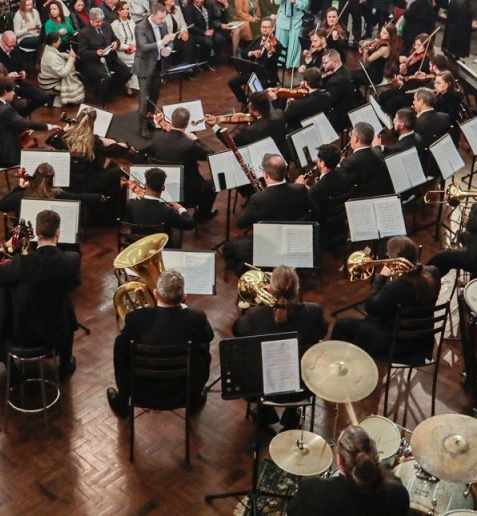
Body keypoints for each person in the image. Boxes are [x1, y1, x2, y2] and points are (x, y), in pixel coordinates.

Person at [0, 209, 82, 378]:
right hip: (57, 329)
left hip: (22, 333)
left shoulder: (20, 264)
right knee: (65, 302)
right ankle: (64, 366)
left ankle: (12, 371)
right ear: (58, 233)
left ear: (36, 233)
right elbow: (74, 283)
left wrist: (6, 245)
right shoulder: (72, 260)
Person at [107, 269, 214, 418]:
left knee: (120, 348)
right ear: (184, 296)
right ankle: (194, 399)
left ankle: (123, 399)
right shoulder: (196, 317)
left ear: (156, 293)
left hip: (142, 390)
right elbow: (209, 336)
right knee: (202, 345)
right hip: (183, 390)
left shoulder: (135, 318)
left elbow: (122, 352)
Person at [232, 265, 327, 426]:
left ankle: (264, 411)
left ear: (270, 289)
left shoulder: (256, 314)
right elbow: (322, 332)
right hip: (301, 386)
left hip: (262, 386)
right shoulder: (314, 312)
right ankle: (292, 413)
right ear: (297, 289)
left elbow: (236, 330)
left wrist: (259, 307)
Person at [331, 237, 439, 358]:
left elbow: (371, 306)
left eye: (388, 256)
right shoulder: (434, 272)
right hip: (423, 340)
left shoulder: (395, 287)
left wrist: (381, 277)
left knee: (341, 325)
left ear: (396, 259)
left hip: (399, 345)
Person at [286, 423, 410, 516]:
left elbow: (292, 512)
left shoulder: (312, 491)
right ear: (376, 459)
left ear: (339, 461)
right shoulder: (398, 494)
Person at [223, 154, 314, 272]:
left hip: (270, 249)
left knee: (229, 247)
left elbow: (241, 224)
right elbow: (314, 212)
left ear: (265, 175)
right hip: (295, 242)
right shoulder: (300, 189)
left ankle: (247, 272)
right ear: (286, 172)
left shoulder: (258, 198)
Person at [135, 3, 180, 138]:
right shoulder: (140, 27)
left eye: (164, 18)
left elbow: (169, 40)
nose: (163, 21)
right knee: (144, 98)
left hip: (158, 64)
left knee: (154, 96)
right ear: (152, 16)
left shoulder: (163, 24)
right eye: (160, 18)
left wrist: (169, 49)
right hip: (144, 66)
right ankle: (142, 126)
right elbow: (143, 47)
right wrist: (162, 43)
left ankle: (149, 119)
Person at [123, 167, 195, 246]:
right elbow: (189, 224)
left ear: (146, 185)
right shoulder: (167, 211)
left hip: (138, 244)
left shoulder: (131, 204)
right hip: (159, 246)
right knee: (177, 240)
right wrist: (180, 208)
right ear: (163, 188)